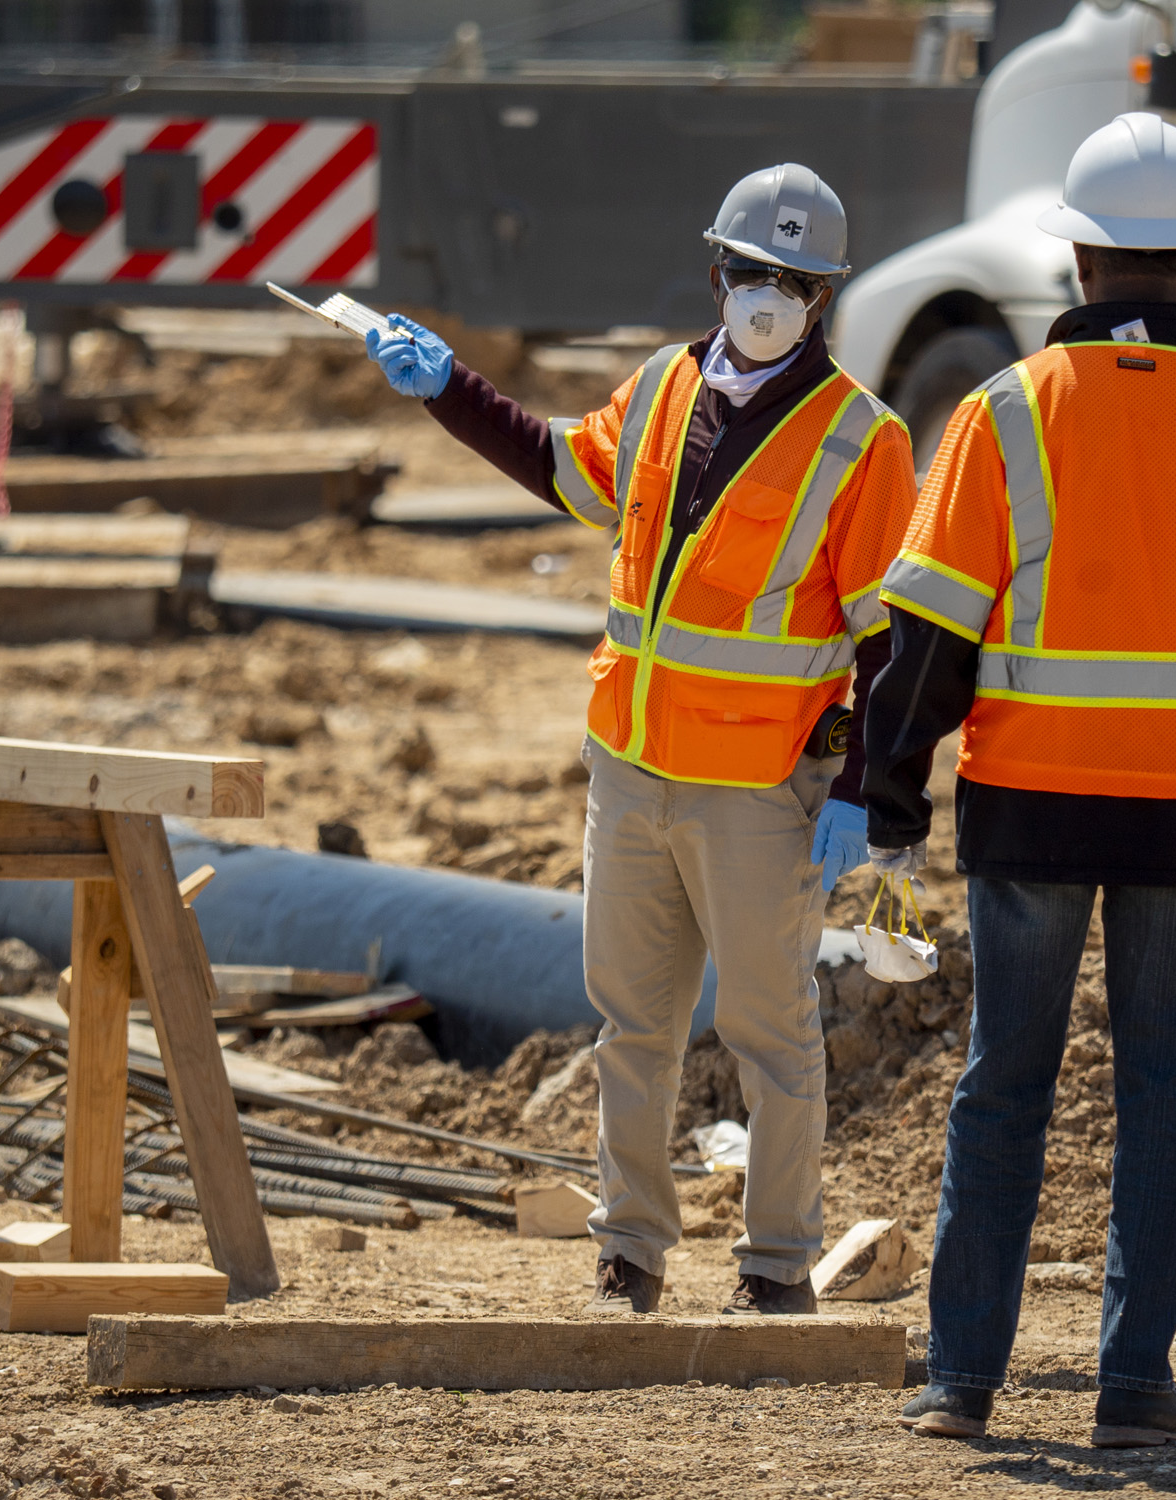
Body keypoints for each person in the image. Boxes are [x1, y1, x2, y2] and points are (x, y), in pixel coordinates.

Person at [865, 112, 1176, 1448]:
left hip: (1029, 804)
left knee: (1000, 1089)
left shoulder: (999, 417)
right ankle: (1133, 1389)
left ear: (1077, 261)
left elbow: (927, 638)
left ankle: (960, 1383)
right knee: (1160, 1099)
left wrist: (889, 807)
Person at [363, 164, 919, 1313]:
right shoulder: (666, 387)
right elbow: (565, 468)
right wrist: (447, 389)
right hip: (630, 769)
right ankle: (631, 1252)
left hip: (759, 789)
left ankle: (774, 1268)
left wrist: (867, 790)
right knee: (634, 1026)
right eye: (754, 272)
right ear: (718, 273)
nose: (770, 295)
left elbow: (889, 641)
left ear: (825, 297)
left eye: (796, 280)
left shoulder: (863, 439)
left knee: (773, 1037)